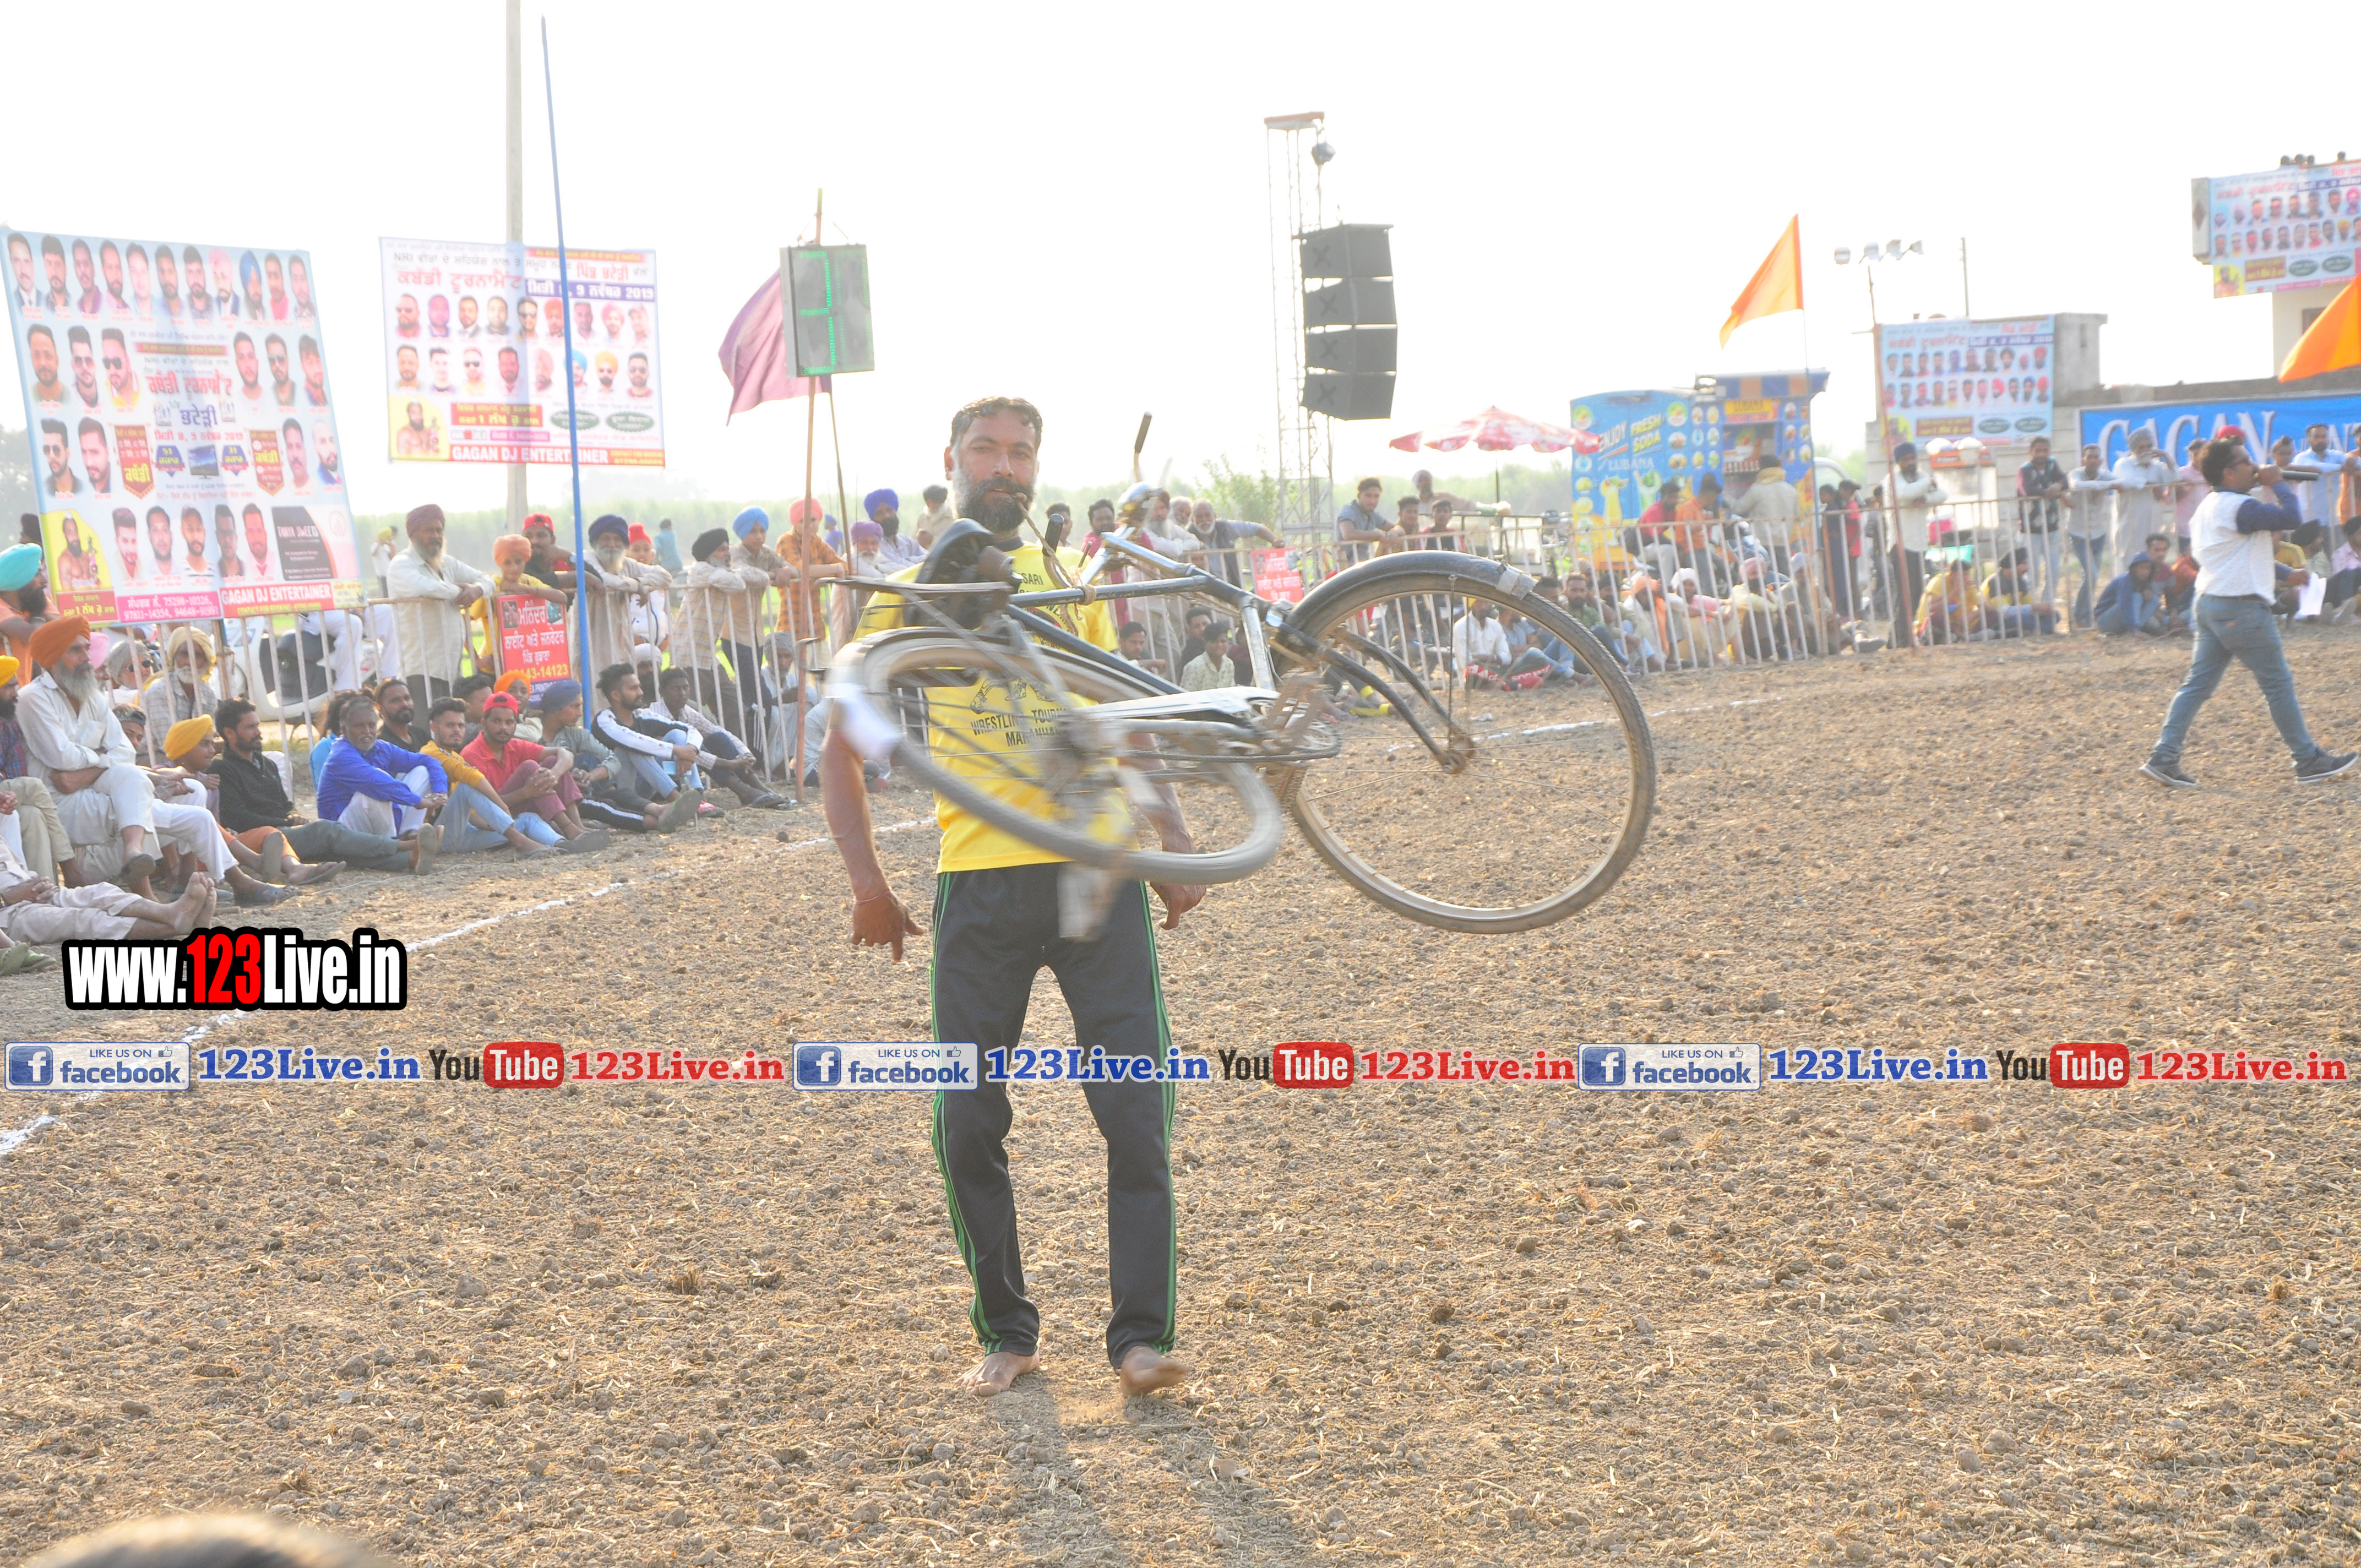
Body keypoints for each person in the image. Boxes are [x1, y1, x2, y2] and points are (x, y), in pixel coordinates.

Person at [821, 394, 1195, 1400]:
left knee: (1135, 1111)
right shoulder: (900, 596)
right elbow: (839, 746)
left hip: (1098, 875)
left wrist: (1172, 836)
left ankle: (1140, 1339)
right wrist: (867, 882)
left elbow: (1123, 713)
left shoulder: (1067, 585)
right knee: (967, 1119)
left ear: (1035, 467)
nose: (1002, 465)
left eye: (1019, 452)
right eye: (984, 448)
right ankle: (1007, 1329)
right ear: (950, 459)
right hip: (977, 885)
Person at [15, 617, 286, 905]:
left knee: (190, 800)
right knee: (138, 799)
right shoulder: (33, 698)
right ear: (53, 658)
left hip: (100, 789)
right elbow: (61, 757)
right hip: (64, 801)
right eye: (75, 650)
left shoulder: (91, 696)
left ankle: (190, 877)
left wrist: (91, 768)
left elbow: (125, 751)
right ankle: (161, 890)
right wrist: (104, 760)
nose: (86, 657)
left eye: (86, 648)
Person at [2140, 435, 2356, 788]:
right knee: (2278, 684)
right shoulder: (2239, 507)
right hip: (2241, 608)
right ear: (2229, 472)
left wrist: (2286, 573)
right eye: (2246, 461)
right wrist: (2278, 483)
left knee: (2197, 685)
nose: (2255, 467)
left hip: (2211, 603)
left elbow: (2234, 555)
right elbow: (2291, 517)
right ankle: (2307, 759)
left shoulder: (2209, 507)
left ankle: (2164, 756)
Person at [210, 699, 417, 875]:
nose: (258, 732)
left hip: (285, 831)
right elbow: (237, 818)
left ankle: (408, 859)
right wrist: (285, 822)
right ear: (229, 733)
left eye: (257, 725)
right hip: (262, 839)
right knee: (325, 830)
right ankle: (402, 845)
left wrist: (293, 816)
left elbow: (285, 804)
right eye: (250, 728)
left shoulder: (268, 764)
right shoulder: (222, 768)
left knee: (338, 853)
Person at [418, 695, 578, 856]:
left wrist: (497, 824)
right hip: (437, 837)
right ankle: (520, 841)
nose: (457, 731)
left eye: (460, 725)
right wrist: (504, 808)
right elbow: (471, 776)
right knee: (466, 787)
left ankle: (564, 844)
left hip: (465, 835)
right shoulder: (431, 752)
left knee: (528, 819)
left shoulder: (455, 756)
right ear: (434, 727)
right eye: (450, 725)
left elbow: (472, 814)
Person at [313, 694, 448, 864]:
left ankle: (412, 837)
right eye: (359, 726)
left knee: (422, 771)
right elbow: (377, 783)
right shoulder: (341, 756)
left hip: (373, 822)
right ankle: (397, 848)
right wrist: (419, 801)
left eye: (371, 725)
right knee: (373, 794)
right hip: (342, 830)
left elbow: (429, 761)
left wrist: (440, 792)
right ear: (344, 730)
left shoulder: (381, 748)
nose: (367, 731)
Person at [641, 665, 786, 809]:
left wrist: (745, 754)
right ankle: (743, 791)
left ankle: (760, 788)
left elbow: (717, 731)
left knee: (717, 738)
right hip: (657, 776)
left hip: (680, 770)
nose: (682, 694)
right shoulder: (653, 715)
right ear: (662, 692)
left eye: (686, 688)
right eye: (676, 689)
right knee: (689, 744)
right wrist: (729, 764)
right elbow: (688, 754)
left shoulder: (686, 712)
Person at [385, 503, 490, 700]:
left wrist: (477, 590)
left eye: (439, 530)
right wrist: (461, 591)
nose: (435, 536)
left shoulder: (447, 563)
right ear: (413, 534)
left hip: (453, 670)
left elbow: (487, 580)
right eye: (428, 531)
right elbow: (424, 587)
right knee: (426, 720)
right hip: (421, 670)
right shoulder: (401, 564)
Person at [589, 664, 704, 831]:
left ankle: (696, 796)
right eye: (633, 689)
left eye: (639, 687)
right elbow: (634, 741)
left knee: (678, 735)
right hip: (622, 792)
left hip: (649, 781)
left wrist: (690, 751)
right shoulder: (604, 721)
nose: (641, 692)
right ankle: (677, 800)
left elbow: (691, 730)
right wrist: (678, 751)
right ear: (616, 695)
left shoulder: (643, 715)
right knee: (632, 749)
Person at [583, 515, 673, 676]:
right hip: (593, 637)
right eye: (606, 539)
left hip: (621, 638)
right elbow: (604, 579)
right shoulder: (587, 558)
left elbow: (665, 576)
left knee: (623, 683)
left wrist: (637, 582)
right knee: (596, 682)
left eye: (617, 540)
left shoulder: (626, 564)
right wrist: (637, 587)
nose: (612, 545)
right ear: (595, 542)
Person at [1886, 444, 1943, 639]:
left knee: (1917, 592)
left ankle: (1900, 637)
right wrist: (1928, 483)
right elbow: (1906, 493)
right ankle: (1900, 638)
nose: (1910, 463)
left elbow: (1943, 494)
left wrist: (1926, 498)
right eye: (1905, 460)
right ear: (1899, 463)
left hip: (1919, 544)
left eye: (1912, 459)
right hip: (1901, 543)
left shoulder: (1920, 477)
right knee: (1906, 593)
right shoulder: (1893, 479)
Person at [2062, 444, 2119, 630]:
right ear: (2083, 460)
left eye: (2096, 457)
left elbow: (2123, 482)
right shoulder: (2077, 474)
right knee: (2092, 575)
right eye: (2090, 457)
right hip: (2078, 532)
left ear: (2101, 460)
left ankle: (2084, 615)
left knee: (2091, 577)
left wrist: (2104, 485)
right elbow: (2076, 485)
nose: (2093, 460)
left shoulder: (2104, 475)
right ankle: (2080, 615)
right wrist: (2102, 486)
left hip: (2099, 532)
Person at [2015, 435, 2069, 619]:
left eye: (2045, 451)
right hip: (2031, 531)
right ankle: (2030, 613)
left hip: (2052, 528)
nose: (2042, 454)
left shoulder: (2053, 465)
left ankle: (2046, 612)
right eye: (2038, 451)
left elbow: (2065, 481)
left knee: (2054, 573)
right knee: (2033, 576)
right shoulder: (2025, 470)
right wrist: (2054, 491)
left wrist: (2059, 486)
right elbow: (2029, 490)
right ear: (2030, 452)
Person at [140, 626, 220, 744]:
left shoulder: (207, 694)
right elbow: (169, 744)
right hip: (157, 754)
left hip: (196, 752)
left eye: (197, 656)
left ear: (205, 661)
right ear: (174, 657)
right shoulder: (159, 692)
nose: (189, 662)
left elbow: (209, 736)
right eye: (184, 654)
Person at [2109, 430, 2174, 573]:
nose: (2146, 451)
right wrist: (2152, 485)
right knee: (2128, 561)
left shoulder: (2157, 466)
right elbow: (2128, 481)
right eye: (2141, 447)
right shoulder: (2124, 464)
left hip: (2152, 522)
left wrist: (2166, 456)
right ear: (2133, 450)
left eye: (2149, 446)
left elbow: (2175, 478)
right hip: (2130, 524)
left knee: (2151, 561)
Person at [2288, 422, 2357, 532]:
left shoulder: (2335, 455)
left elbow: (2356, 463)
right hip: (2310, 517)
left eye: (2324, 436)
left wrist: (2353, 460)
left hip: (2333, 518)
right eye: (2317, 437)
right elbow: (2318, 468)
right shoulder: (2302, 457)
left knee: (2337, 543)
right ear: (2309, 440)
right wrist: (2342, 468)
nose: (2321, 440)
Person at [1982, 548, 2058, 638]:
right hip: (1995, 622)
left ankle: (2036, 631)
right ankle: (2039, 631)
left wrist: (2042, 610)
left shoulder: (2020, 581)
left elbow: (2029, 605)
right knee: (2025, 620)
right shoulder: (1995, 582)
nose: (2027, 568)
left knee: (2055, 615)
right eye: (2024, 564)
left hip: (2015, 618)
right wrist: (2034, 607)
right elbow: (2004, 612)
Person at [1913, 559, 1987, 645]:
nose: (1966, 578)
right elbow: (1931, 609)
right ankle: (1963, 637)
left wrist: (1971, 616)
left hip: (1957, 626)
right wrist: (1956, 592)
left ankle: (1967, 637)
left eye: (1967, 574)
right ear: (1952, 575)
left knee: (1992, 614)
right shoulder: (1939, 582)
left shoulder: (1968, 585)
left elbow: (1984, 606)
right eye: (1962, 575)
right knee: (1935, 618)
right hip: (1932, 627)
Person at [2094, 556, 2170, 638]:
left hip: (2124, 619)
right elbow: (2125, 606)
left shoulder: (2146, 582)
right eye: (2142, 568)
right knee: (2136, 597)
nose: (2146, 572)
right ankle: (2134, 631)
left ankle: (2138, 627)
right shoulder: (2125, 581)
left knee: (2154, 600)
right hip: (2104, 621)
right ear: (2134, 569)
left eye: (2148, 568)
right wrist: (2133, 629)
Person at [862, 488, 926, 569]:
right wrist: (918, 562)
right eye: (880, 513)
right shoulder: (874, 544)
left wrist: (908, 560)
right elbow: (899, 566)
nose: (887, 516)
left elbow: (930, 557)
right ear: (873, 519)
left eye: (889, 510)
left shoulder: (906, 540)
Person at [1335, 476, 1388, 564]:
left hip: (1364, 565)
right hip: (1346, 566)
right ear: (1359, 496)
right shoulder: (1348, 511)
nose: (1373, 501)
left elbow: (1397, 528)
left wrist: (1395, 532)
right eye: (1368, 496)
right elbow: (1348, 534)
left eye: (1376, 496)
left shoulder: (1373, 514)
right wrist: (1378, 535)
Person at [1178, 619, 1238, 691]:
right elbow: (1187, 695)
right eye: (1214, 642)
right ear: (1205, 643)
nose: (1219, 645)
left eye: (1223, 641)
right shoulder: (1195, 667)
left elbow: (1231, 692)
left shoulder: (1229, 664)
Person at [913, 482, 954, 549]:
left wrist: (932, 540)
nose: (931, 505)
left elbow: (956, 545)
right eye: (928, 502)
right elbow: (913, 542)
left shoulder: (952, 517)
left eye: (933, 502)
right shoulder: (922, 517)